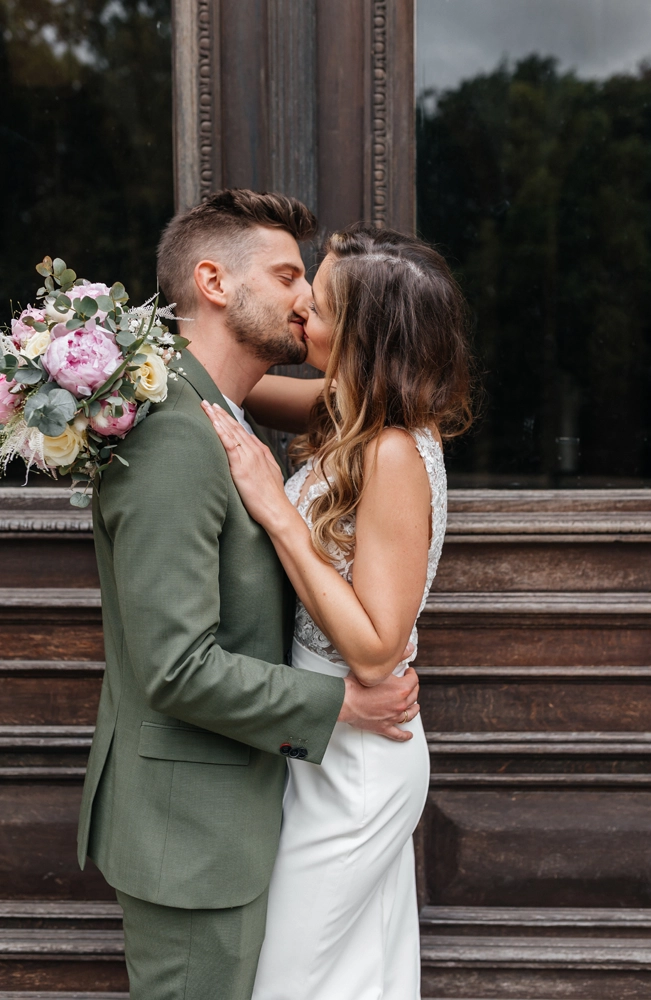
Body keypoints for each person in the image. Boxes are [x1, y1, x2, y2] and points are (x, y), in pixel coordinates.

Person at [77, 191, 421, 1000]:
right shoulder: (172, 437)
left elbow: (364, 397)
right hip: (191, 835)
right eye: (286, 276)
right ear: (213, 282)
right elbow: (177, 668)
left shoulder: (219, 411)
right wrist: (341, 705)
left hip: (244, 808)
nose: (304, 300)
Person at [203, 223, 473, 1000]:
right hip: (322, 745)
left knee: (287, 983)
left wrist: (275, 511)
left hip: (358, 763)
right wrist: (118, 356)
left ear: (360, 336)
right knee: (357, 981)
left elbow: (377, 650)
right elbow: (226, 383)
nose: (299, 312)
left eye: (316, 305)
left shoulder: (392, 450)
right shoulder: (348, 407)